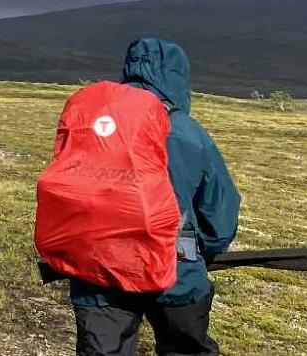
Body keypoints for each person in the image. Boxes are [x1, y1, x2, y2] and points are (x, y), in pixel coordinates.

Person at [71, 38, 241, 356]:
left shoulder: (93, 124)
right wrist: (202, 251)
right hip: (176, 271)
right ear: (178, 79)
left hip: (98, 272)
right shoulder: (188, 133)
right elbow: (219, 216)